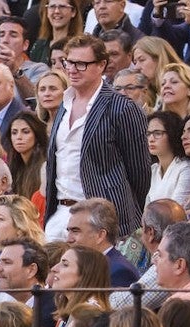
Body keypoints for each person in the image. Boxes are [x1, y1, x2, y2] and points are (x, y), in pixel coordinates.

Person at [44, 35, 149, 246]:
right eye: (69, 62)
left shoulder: (122, 107)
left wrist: (122, 210)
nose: (72, 70)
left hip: (101, 219)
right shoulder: (63, 104)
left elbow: (140, 172)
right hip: (60, 214)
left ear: (101, 65)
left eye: (81, 64)